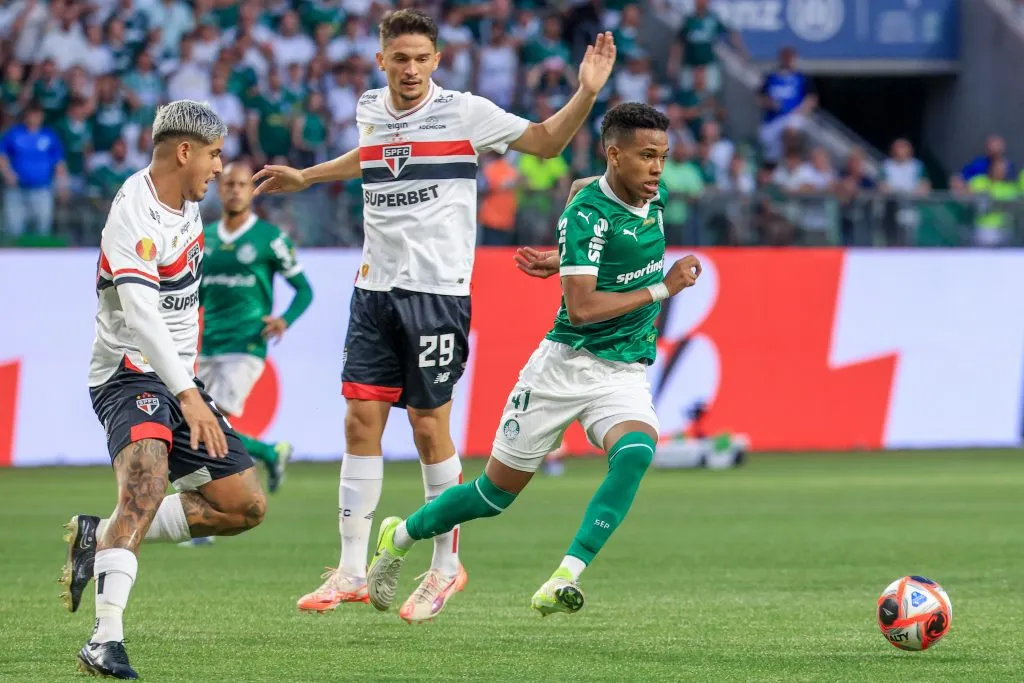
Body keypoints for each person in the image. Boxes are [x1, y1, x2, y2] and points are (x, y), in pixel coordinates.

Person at [252, 8, 616, 621]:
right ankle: (348, 570)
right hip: (373, 290)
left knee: (427, 428)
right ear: (382, 61)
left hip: (437, 293)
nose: (412, 69)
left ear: (437, 61)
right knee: (359, 423)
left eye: (422, 58)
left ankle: (446, 567)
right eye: (401, 58)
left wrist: (585, 91)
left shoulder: (465, 113)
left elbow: (548, 143)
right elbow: (373, 154)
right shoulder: (371, 106)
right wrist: (308, 177)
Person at [363, 102, 701, 621]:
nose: (657, 167)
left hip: (622, 373)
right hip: (562, 367)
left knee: (635, 452)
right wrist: (663, 286)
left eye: (663, 155)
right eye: (646, 156)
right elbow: (583, 308)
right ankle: (401, 535)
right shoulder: (589, 214)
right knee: (492, 497)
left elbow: (579, 186)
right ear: (615, 154)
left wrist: (568, 258)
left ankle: (563, 577)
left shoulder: (644, 196)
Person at [58, 101, 266, 680]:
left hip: (179, 377)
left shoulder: (187, 208)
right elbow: (143, 318)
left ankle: (98, 536)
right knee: (145, 487)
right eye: (215, 155)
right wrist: (188, 393)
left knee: (244, 506)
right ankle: (105, 640)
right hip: (128, 374)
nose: (220, 168)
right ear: (184, 152)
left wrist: (188, 384)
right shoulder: (134, 213)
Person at [198, 161, 313, 495]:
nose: (235, 190)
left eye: (242, 185)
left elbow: (305, 290)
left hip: (247, 343)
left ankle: (211, 508)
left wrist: (283, 320)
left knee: (214, 424)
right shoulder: (204, 239)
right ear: (219, 190)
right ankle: (269, 452)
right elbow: (196, 296)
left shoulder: (270, 238)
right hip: (210, 343)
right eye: (229, 184)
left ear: (252, 190)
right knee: (202, 426)